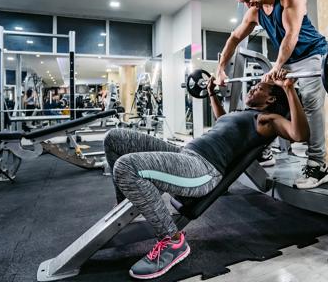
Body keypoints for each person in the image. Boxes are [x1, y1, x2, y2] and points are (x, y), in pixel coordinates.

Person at [104, 72, 308, 279]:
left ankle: (173, 243)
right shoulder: (242, 113)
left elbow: (300, 135)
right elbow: (223, 119)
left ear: (271, 99)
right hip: (185, 153)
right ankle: (127, 203)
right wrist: (211, 93)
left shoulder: (267, 120)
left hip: (202, 169)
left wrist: (289, 88)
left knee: (126, 166)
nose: (253, 87)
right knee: (115, 138)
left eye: (259, 87)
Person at [216, 0, 328, 189]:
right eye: (244, 3)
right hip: (287, 61)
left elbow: (291, 34)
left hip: (313, 56)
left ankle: (318, 164)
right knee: (267, 101)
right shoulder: (255, 13)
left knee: (310, 102)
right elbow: (234, 38)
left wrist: (277, 66)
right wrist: (220, 69)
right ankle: (263, 150)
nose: (249, 5)